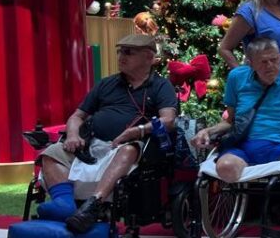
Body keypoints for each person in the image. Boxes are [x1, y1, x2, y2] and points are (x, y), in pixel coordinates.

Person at [37, 35, 178, 233]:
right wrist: (73, 135)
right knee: (51, 152)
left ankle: (93, 205)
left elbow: (168, 120)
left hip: (131, 147)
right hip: (92, 144)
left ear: (148, 57)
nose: (121, 56)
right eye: (120, 51)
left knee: (129, 150)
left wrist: (137, 131)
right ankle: (64, 204)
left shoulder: (161, 86)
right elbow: (77, 116)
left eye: (128, 52)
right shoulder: (106, 84)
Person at [193, 37, 280, 183]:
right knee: (225, 167)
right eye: (263, 62)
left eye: (274, 60)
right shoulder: (237, 77)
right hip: (241, 144)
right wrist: (208, 131)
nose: (270, 66)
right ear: (250, 64)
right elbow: (229, 121)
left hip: (277, 146)